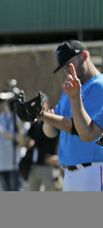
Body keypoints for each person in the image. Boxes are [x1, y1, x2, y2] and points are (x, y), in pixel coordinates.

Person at [42, 40, 103, 191]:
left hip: (93, 169)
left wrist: (44, 115)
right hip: (69, 172)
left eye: (70, 63)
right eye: (64, 67)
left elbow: (79, 128)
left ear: (84, 55)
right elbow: (51, 132)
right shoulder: (70, 89)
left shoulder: (99, 85)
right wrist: (46, 119)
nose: (67, 70)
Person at [21, 94, 63, 191]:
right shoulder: (36, 124)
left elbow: (62, 139)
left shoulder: (53, 120)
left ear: (47, 105)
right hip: (34, 165)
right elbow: (27, 140)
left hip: (49, 166)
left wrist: (60, 157)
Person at [0, 97, 29, 191]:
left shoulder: (20, 118)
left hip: (15, 164)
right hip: (1, 164)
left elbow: (23, 142)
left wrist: (13, 135)